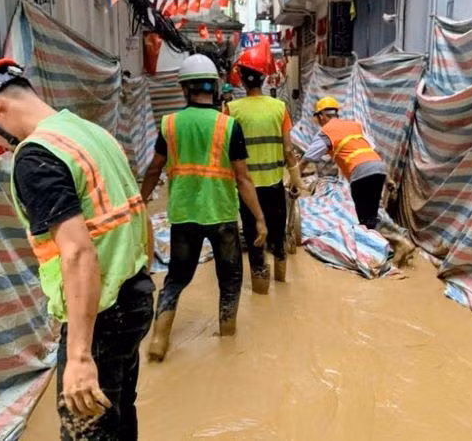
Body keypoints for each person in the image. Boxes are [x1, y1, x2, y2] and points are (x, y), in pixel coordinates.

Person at [0, 58, 154, 440]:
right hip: (136, 297)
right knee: (120, 419)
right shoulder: (87, 132)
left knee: (87, 427)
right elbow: (135, 215)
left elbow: (77, 252)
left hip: (102, 315)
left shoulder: (37, 156)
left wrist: (78, 356)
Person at [140, 54, 267, 362]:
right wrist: (259, 219)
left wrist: (139, 203)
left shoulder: (169, 124)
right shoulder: (229, 126)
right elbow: (243, 179)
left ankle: (159, 339)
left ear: (184, 88)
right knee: (230, 278)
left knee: (176, 278)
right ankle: (226, 338)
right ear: (214, 87)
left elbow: (154, 169)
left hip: (184, 216)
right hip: (221, 215)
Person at [225, 43, 306, 294]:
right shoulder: (279, 107)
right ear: (263, 77)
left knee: (254, 238)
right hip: (273, 185)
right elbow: (289, 149)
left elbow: (226, 151)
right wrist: (296, 179)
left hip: (246, 188)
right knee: (278, 236)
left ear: (241, 79)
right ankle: (281, 284)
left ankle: (261, 291)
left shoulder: (231, 110)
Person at [299, 96, 415, 264]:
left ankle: (400, 243)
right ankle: (395, 248)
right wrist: (388, 179)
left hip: (360, 174)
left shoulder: (326, 131)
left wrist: (294, 179)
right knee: (372, 216)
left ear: (322, 116)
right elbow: (372, 151)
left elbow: (306, 159)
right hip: (378, 169)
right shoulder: (354, 126)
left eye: (317, 118)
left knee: (366, 222)